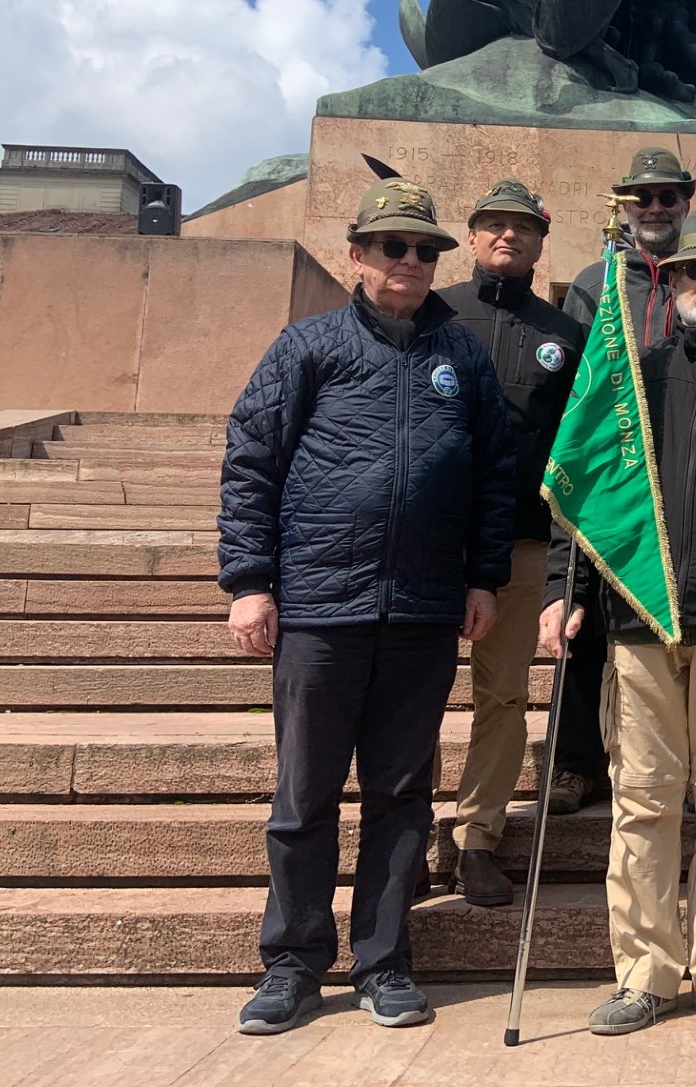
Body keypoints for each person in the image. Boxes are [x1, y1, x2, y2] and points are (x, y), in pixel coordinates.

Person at [221, 175, 518, 1035]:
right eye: (395, 247)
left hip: (424, 609)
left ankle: (385, 962)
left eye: (427, 250)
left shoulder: (460, 357)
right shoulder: (305, 347)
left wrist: (482, 577)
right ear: (356, 256)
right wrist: (250, 582)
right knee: (304, 796)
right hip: (319, 607)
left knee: (400, 796)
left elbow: (494, 477)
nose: (414, 262)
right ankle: (293, 963)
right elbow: (251, 464)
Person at [541, 207, 696, 1035]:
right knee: (644, 805)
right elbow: (583, 499)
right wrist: (563, 589)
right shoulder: (629, 380)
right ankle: (644, 973)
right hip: (639, 623)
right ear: (672, 281)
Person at [436, 178, 586, 907]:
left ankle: (478, 837)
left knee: (502, 696)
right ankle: (402, 831)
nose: (507, 236)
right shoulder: (434, 316)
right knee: (408, 695)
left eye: (522, 227)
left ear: (540, 242)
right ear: (470, 238)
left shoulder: (564, 336)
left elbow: (573, 451)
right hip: (426, 543)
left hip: (521, 544)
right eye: (493, 225)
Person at [550, 145, 696, 819]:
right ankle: (576, 761)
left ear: (686, 203)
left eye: (669, 197)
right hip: (614, 471)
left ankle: (683, 763)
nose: (657, 208)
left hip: (687, 473)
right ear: (626, 206)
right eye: (646, 198)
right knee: (587, 627)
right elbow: (577, 392)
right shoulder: (596, 283)